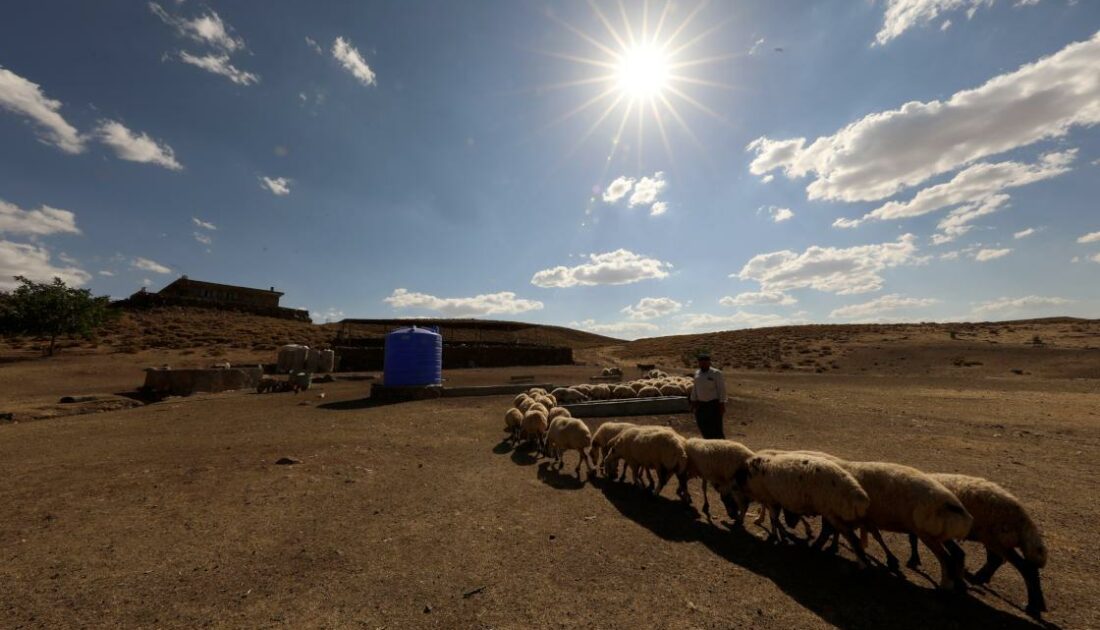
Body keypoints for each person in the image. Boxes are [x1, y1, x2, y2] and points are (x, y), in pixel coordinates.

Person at [689, 350, 726, 439]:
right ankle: (709, 446)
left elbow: (722, 389)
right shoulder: (697, 373)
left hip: (713, 405)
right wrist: (693, 401)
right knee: (703, 427)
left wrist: (722, 404)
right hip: (701, 405)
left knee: (716, 429)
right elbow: (695, 388)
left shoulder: (716, 373)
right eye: (701, 362)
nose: (703, 364)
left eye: (705, 362)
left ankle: (721, 448)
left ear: (709, 362)